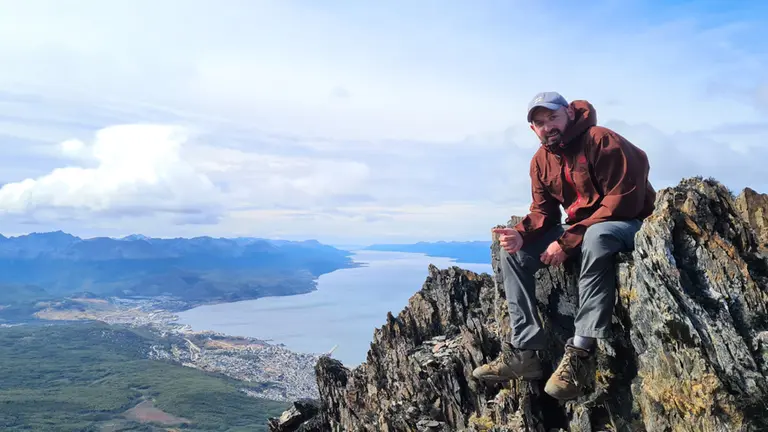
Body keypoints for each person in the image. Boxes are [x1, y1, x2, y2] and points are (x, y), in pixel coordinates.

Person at [471, 91, 656, 401]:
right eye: (539, 123)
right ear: (533, 129)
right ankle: (524, 351)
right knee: (513, 253)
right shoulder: (541, 160)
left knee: (598, 238)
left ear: (569, 113)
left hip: (627, 223)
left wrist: (568, 241)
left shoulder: (602, 140)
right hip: (580, 227)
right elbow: (543, 212)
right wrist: (521, 233)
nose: (547, 127)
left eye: (552, 118)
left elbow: (623, 201)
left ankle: (580, 352)